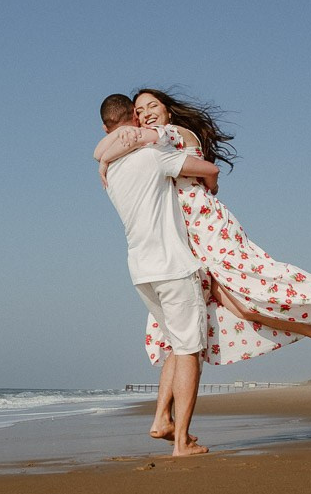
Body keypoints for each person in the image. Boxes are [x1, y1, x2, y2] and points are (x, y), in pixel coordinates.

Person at [99, 88, 311, 373]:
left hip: (208, 227)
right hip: (191, 236)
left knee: (256, 279)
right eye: (140, 111)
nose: (146, 114)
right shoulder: (158, 148)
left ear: (168, 111)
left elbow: (101, 152)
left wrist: (107, 157)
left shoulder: (171, 132)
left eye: (152, 106)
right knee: (242, 308)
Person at [94, 93, 220, 457]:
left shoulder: (112, 171)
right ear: (135, 120)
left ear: (106, 128)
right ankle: (181, 442)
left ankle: (161, 421)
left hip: (140, 272)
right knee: (190, 352)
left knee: (175, 349)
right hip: (173, 267)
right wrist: (211, 190)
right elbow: (208, 169)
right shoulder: (152, 156)